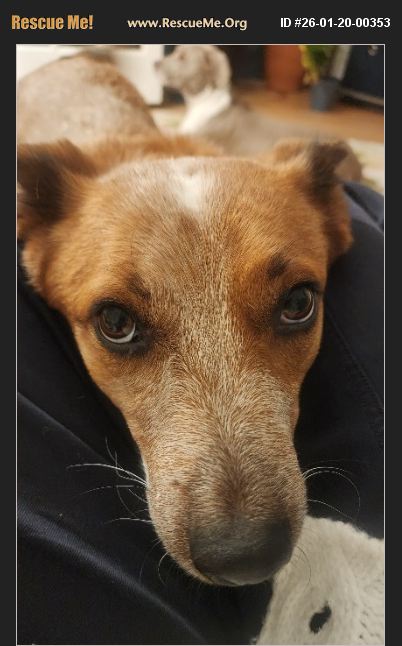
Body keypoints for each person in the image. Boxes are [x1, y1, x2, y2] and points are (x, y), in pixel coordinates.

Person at [18, 182, 383, 645]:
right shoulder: (58, 206)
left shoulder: (308, 197)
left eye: (294, 305)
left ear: (332, 215)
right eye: (119, 323)